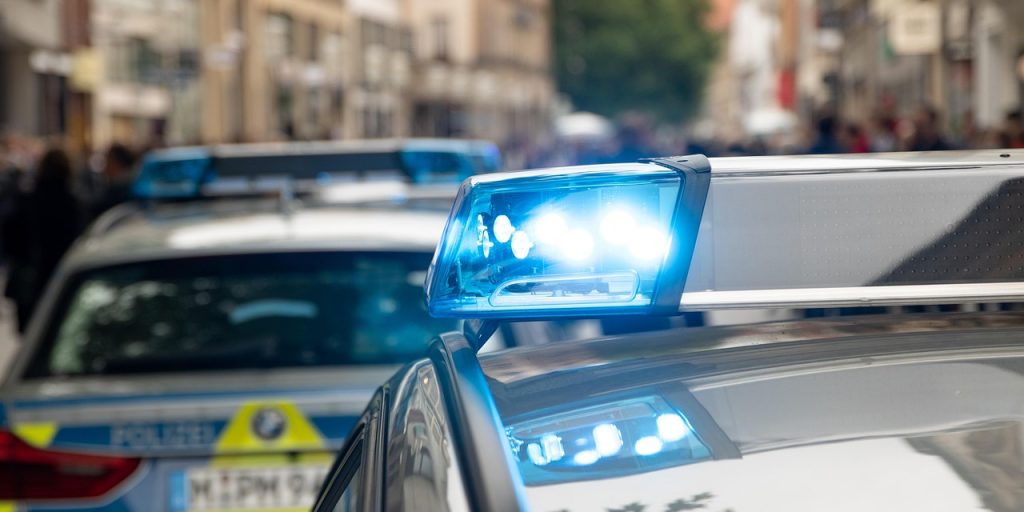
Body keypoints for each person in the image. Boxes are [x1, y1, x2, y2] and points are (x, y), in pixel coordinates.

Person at [2, 148, 84, 331]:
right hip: (61, 277)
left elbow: (10, 236)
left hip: (31, 278)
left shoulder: (27, 199)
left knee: (31, 334)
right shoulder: (73, 202)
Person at [90, 143, 137, 220]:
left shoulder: (117, 191)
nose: (105, 167)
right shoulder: (134, 184)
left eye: (108, 161)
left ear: (117, 162)